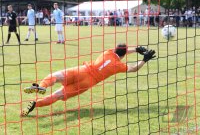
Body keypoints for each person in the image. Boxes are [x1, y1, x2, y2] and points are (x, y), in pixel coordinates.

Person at [21, 44, 156, 116]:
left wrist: (135, 49)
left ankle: (42, 85)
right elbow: (133, 69)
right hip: (87, 83)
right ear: (123, 55)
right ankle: (35, 104)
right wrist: (144, 59)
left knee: (55, 76)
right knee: (57, 96)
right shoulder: (118, 66)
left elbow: (121, 51)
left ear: (115, 49)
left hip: (81, 71)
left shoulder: (107, 52)